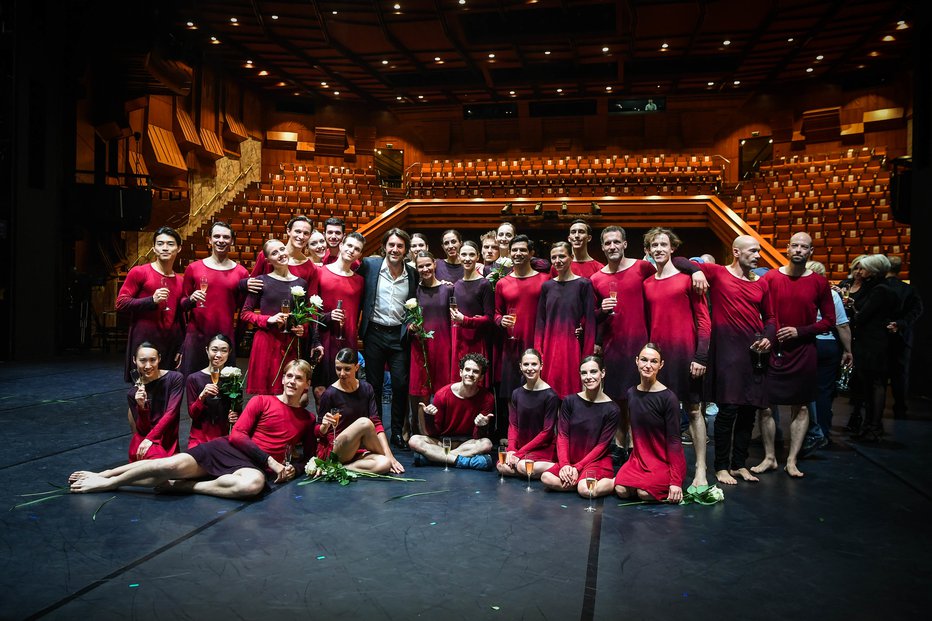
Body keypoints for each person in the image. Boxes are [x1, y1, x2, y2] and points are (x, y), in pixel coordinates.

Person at [70, 360, 317, 499]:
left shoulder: (307, 418)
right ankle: (107, 478)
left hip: (252, 468)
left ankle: (185, 486)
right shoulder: (262, 401)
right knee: (167, 465)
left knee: (252, 486)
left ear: (307, 384)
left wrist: (291, 469)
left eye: (298, 378)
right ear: (282, 378)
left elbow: (306, 457)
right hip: (228, 451)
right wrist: (271, 462)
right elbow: (237, 435)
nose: (291, 382)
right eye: (288, 376)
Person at [677, 235, 775, 485]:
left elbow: (772, 318)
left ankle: (739, 464)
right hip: (728, 353)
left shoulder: (761, 283)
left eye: (759, 251)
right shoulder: (719, 273)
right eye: (753, 251)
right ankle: (721, 466)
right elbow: (678, 260)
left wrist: (768, 336)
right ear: (736, 252)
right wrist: (697, 271)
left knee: (749, 410)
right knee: (728, 409)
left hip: (754, 353)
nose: (758, 255)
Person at [751, 233, 835, 478]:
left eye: (804, 247)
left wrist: (801, 331)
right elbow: (758, 310)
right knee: (765, 406)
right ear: (787, 249)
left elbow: (829, 321)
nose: (799, 250)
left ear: (811, 252)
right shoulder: (771, 277)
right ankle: (769, 457)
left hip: (803, 349)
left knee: (801, 407)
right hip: (773, 348)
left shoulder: (819, 282)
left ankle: (791, 460)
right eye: (795, 245)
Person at [642, 227, 711, 488]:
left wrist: (701, 356)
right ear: (648, 251)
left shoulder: (688, 278)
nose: (659, 249)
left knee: (693, 411)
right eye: (654, 245)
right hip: (659, 358)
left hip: (686, 355)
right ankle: (665, 467)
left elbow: (704, 320)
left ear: (673, 248)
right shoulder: (646, 283)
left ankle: (701, 469)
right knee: (660, 413)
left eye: (664, 244)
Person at [590, 226, 655, 452]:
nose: (612, 247)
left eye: (616, 242)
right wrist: (601, 311)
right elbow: (593, 316)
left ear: (625, 244)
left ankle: (640, 449)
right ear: (602, 247)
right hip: (613, 346)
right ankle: (620, 447)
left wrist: (694, 270)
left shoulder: (642, 267)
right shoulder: (596, 278)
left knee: (639, 399)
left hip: (640, 344)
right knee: (617, 399)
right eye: (607, 243)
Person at [356, 228, 418, 449]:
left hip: (399, 335)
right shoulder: (370, 267)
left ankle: (397, 432)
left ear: (406, 250)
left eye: (400, 246)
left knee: (400, 384)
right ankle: (377, 430)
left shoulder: (412, 273)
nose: (395, 249)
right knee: (374, 385)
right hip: (374, 333)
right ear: (384, 247)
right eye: (391, 245)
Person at [613, 343, 686, 503]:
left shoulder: (668, 398)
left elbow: (674, 441)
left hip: (662, 460)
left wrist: (676, 481)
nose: (648, 365)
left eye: (653, 361)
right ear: (637, 361)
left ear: (661, 365)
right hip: (639, 459)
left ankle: (660, 481)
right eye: (644, 360)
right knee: (621, 490)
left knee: (644, 494)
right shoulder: (631, 393)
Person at [540, 356, 619, 497]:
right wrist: (565, 465)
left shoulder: (612, 409)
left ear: (603, 373)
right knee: (546, 478)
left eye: (593, 372)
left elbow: (602, 446)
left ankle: (615, 482)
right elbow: (562, 435)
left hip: (595, 460)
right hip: (572, 459)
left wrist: (578, 467)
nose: (588, 377)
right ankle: (578, 482)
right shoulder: (569, 401)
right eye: (584, 373)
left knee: (586, 490)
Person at [317, 348, 404, 474]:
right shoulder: (330, 394)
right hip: (337, 448)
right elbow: (317, 430)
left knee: (384, 464)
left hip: (357, 449)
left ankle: (339, 468)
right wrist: (324, 426)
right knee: (365, 422)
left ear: (356, 367)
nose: (341, 373)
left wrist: (389, 456)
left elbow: (377, 424)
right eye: (338, 368)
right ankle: (333, 463)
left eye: (347, 369)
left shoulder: (366, 388)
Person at [178, 222, 249, 377]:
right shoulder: (193, 268)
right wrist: (191, 299)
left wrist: (236, 338)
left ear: (232, 241)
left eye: (226, 237)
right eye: (216, 236)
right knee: (193, 385)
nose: (221, 240)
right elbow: (182, 305)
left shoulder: (241, 273)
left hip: (225, 339)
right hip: (196, 337)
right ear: (209, 240)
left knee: (224, 388)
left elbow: (243, 310)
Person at [241, 239, 310, 395]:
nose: (280, 254)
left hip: (289, 344)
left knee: (289, 393)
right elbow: (245, 314)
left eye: (281, 249)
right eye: (274, 253)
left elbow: (305, 316)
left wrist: (302, 328)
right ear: (267, 260)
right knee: (265, 395)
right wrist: (268, 319)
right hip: (266, 342)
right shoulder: (261, 281)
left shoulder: (301, 283)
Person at [115, 226, 185, 382]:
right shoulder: (139, 272)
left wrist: (182, 347)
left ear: (179, 248)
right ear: (153, 247)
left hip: (169, 343)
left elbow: (180, 318)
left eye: (170, 244)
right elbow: (120, 303)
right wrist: (150, 301)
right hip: (144, 341)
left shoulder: (181, 280)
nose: (165, 248)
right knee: (140, 394)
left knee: (165, 392)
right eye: (160, 244)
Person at [408, 353, 495, 470]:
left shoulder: (487, 398)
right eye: (467, 370)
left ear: (481, 377)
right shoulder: (442, 394)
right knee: (414, 440)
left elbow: (478, 437)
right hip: (442, 442)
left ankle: (435, 458)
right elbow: (434, 433)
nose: (470, 374)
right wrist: (429, 417)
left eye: (475, 371)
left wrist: (481, 426)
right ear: (460, 372)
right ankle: (465, 462)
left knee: (486, 444)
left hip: (467, 443)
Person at [801, 261, 853, 452]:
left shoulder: (801, 290)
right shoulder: (831, 293)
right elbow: (842, 324)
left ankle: (811, 432)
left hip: (806, 342)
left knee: (807, 390)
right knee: (823, 391)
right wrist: (848, 350)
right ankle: (822, 432)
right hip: (828, 343)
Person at [494, 235, 551, 406]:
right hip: (512, 344)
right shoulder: (502, 283)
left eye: (523, 250)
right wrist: (500, 320)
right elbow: (496, 313)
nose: (518, 253)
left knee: (540, 391)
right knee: (513, 393)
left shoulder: (545, 280)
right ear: (509, 253)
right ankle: (514, 430)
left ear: (531, 253)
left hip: (538, 341)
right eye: (514, 250)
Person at [535, 241, 596, 398]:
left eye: (562, 256)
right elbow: (540, 322)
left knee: (573, 396)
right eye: (554, 257)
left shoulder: (584, 284)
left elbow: (590, 322)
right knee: (550, 396)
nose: (558, 260)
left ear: (571, 257)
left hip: (572, 348)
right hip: (550, 348)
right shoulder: (546, 287)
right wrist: (538, 352)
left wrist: (587, 357)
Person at [849, 254, 899, 441]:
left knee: (875, 384)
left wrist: (853, 309)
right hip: (871, 340)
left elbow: (862, 316)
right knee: (869, 384)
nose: (860, 271)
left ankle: (873, 426)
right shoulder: (877, 288)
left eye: (864, 268)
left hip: (874, 341)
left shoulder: (880, 290)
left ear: (874, 270)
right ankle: (869, 425)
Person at [409, 251, 455, 435]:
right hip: (419, 346)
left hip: (443, 344)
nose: (425, 269)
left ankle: (441, 429)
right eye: (420, 266)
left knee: (443, 388)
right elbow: (407, 317)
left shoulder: (448, 289)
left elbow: (453, 318)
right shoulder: (414, 291)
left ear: (435, 264)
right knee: (419, 388)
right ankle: (419, 429)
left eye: (428, 265)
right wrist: (410, 327)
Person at [317, 233, 365, 393]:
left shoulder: (359, 281)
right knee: (321, 390)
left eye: (357, 249)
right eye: (349, 245)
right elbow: (311, 311)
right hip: (325, 337)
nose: (352, 250)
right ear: (341, 245)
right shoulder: (320, 273)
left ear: (360, 254)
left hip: (348, 338)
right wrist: (329, 316)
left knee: (346, 386)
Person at [498, 349, 558, 478]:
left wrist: (518, 454)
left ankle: (553, 467)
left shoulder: (550, 395)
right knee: (501, 465)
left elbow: (547, 432)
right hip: (522, 446)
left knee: (521, 466)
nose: (530, 368)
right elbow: (513, 425)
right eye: (526, 364)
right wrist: (512, 449)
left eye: (534, 364)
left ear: (541, 366)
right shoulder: (516, 393)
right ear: (520, 366)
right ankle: (527, 470)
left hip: (543, 447)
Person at [123, 342, 184, 462]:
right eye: (143, 361)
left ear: (159, 359)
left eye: (153, 360)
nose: (148, 365)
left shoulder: (175, 378)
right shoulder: (133, 393)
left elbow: (171, 413)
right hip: (145, 442)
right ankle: (105, 477)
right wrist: (141, 407)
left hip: (161, 439)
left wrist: (151, 438)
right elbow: (143, 430)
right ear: (134, 360)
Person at [884, 255, 923, 419]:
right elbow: (917, 310)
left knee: (878, 375)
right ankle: (900, 407)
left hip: (881, 335)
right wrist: (900, 324)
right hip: (902, 335)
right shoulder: (909, 289)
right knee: (900, 374)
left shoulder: (879, 287)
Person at [451, 241, 494, 386]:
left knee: (476, 384)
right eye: (463, 254)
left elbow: (489, 318)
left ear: (477, 257)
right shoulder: (456, 285)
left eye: (471, 254)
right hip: (460, 341)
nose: (467, 258)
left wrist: (466, 320)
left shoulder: (484, 284)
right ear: (458, 257)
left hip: (477, 341)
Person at [185, 334, 240, 449]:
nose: (218, 355)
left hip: (224, 437)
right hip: (200, 438)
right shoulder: (194, 378)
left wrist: (235, 416)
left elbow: (238, 410)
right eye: (214, 350)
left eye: (224, 351)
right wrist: (202, 396)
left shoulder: (233, 378)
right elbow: (192, 414)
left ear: (229, 352)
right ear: (207, 350)